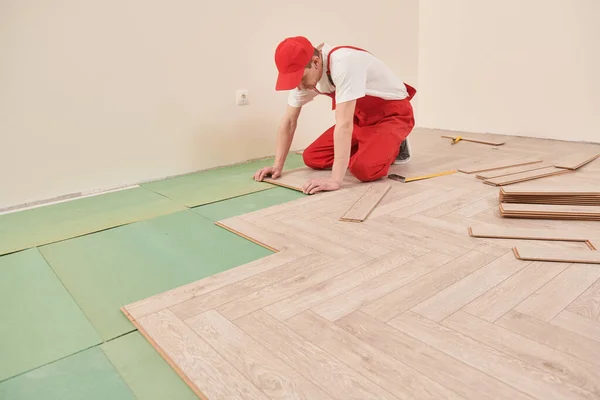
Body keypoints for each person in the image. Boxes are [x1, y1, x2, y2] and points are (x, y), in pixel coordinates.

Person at [254, 36, 416, 194]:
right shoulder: (305, 77)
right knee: (312, 157)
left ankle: (396, 146)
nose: (299, 87)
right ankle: (372, 146)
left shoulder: (344, 63)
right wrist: (277, 166)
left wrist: (335, 180)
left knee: (363, 169)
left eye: (300, 79)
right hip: (360, 119)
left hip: (392, 116)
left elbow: (344, 125)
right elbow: (289, 121)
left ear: (316, 62)